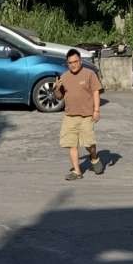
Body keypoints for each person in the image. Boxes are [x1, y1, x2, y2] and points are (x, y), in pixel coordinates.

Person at [55, 49, 102, 181]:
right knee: (72, 144)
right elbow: (59, 97)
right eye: (70, 63)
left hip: (87, 116)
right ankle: (77, 171)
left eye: (75, 61)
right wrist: (56, 88)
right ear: (67, 63)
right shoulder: (64, 77)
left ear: (80, 61)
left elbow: (96, 92)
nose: (73, 65)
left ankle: (94, 157)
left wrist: (96, 111)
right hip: (70, 116)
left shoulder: (89, 74)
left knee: (89, 144)